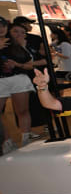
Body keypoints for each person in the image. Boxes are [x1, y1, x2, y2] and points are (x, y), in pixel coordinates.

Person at [0, 23, 39, 151]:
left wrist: (16, 64)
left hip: (18, 79)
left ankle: (26, 139)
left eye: (3, 26)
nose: (1, 29)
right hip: (1, 81)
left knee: (22, 111)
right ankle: (6, 140)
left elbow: (29, 65)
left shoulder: (15, 45)